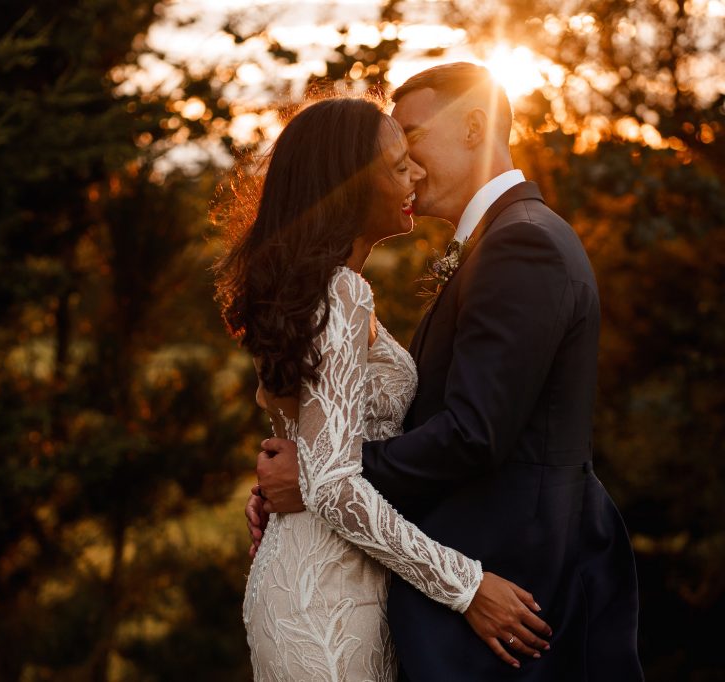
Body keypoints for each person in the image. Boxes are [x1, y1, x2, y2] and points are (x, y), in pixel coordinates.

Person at [247, 63, 643, 680]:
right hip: (365, 588)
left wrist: (314, 475)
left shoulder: (521, 242)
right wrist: (316, 472)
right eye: (394, 153)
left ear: (473, 127)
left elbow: (472, 432)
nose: (406, 163)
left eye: (411, 137)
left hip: (519, 570)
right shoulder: (495, 242)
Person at [215, 95, 551, 681]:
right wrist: (466, 586)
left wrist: (290, 478)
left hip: (326, 579)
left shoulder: (318, 290)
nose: (416, 175)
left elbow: (316, 457)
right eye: (399, 166)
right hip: (327, 600)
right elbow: (332, 485)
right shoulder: (341, 293)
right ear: (349, 184)